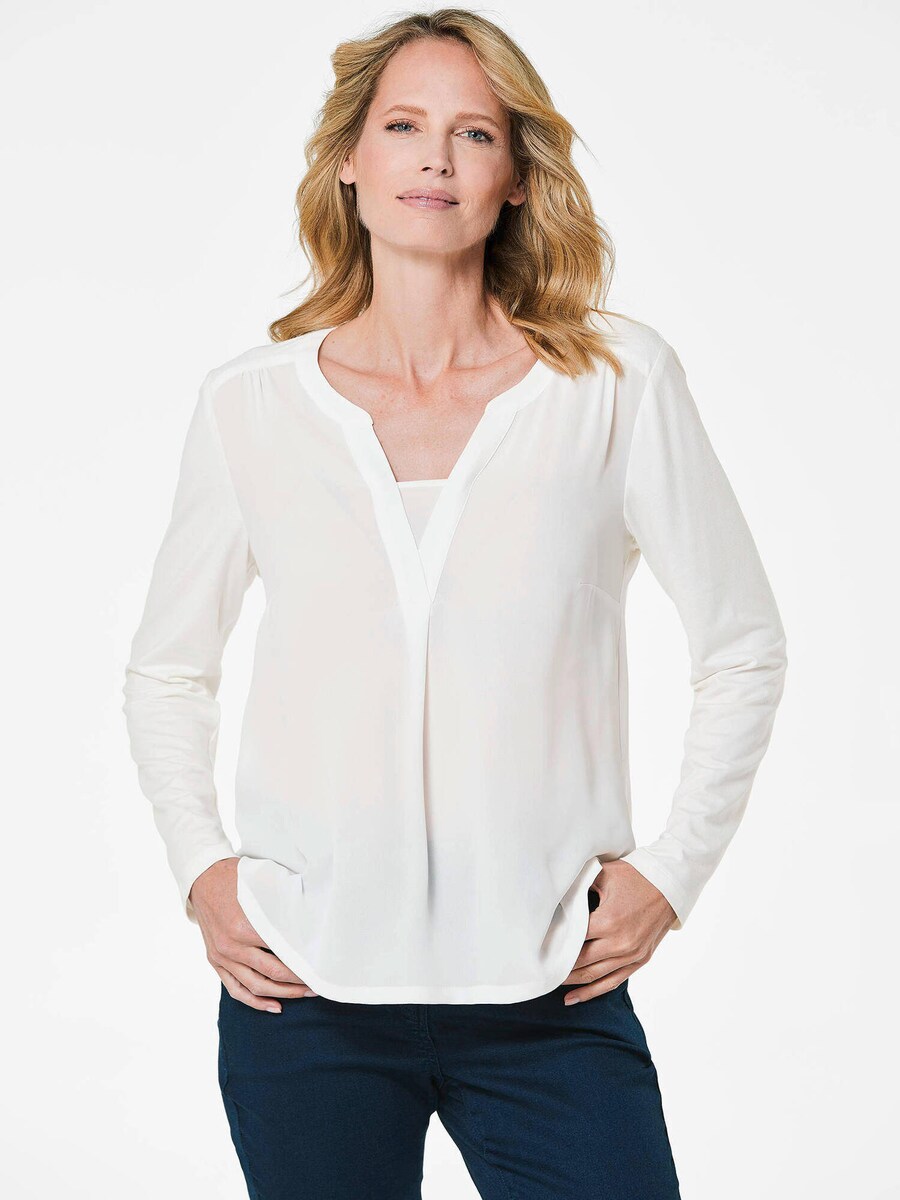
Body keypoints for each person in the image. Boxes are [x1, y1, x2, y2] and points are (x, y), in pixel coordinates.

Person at [122, 10, 788, 1199]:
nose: (435, 158)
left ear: (517, 176)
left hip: (550, 992)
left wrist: (673, 873)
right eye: (404, 126)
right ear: (349, 158)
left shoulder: (615, 385)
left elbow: (742, 645)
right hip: (304, 996)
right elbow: (170, 668)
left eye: (474, 133)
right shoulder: (250, 407)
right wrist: (202, 869)